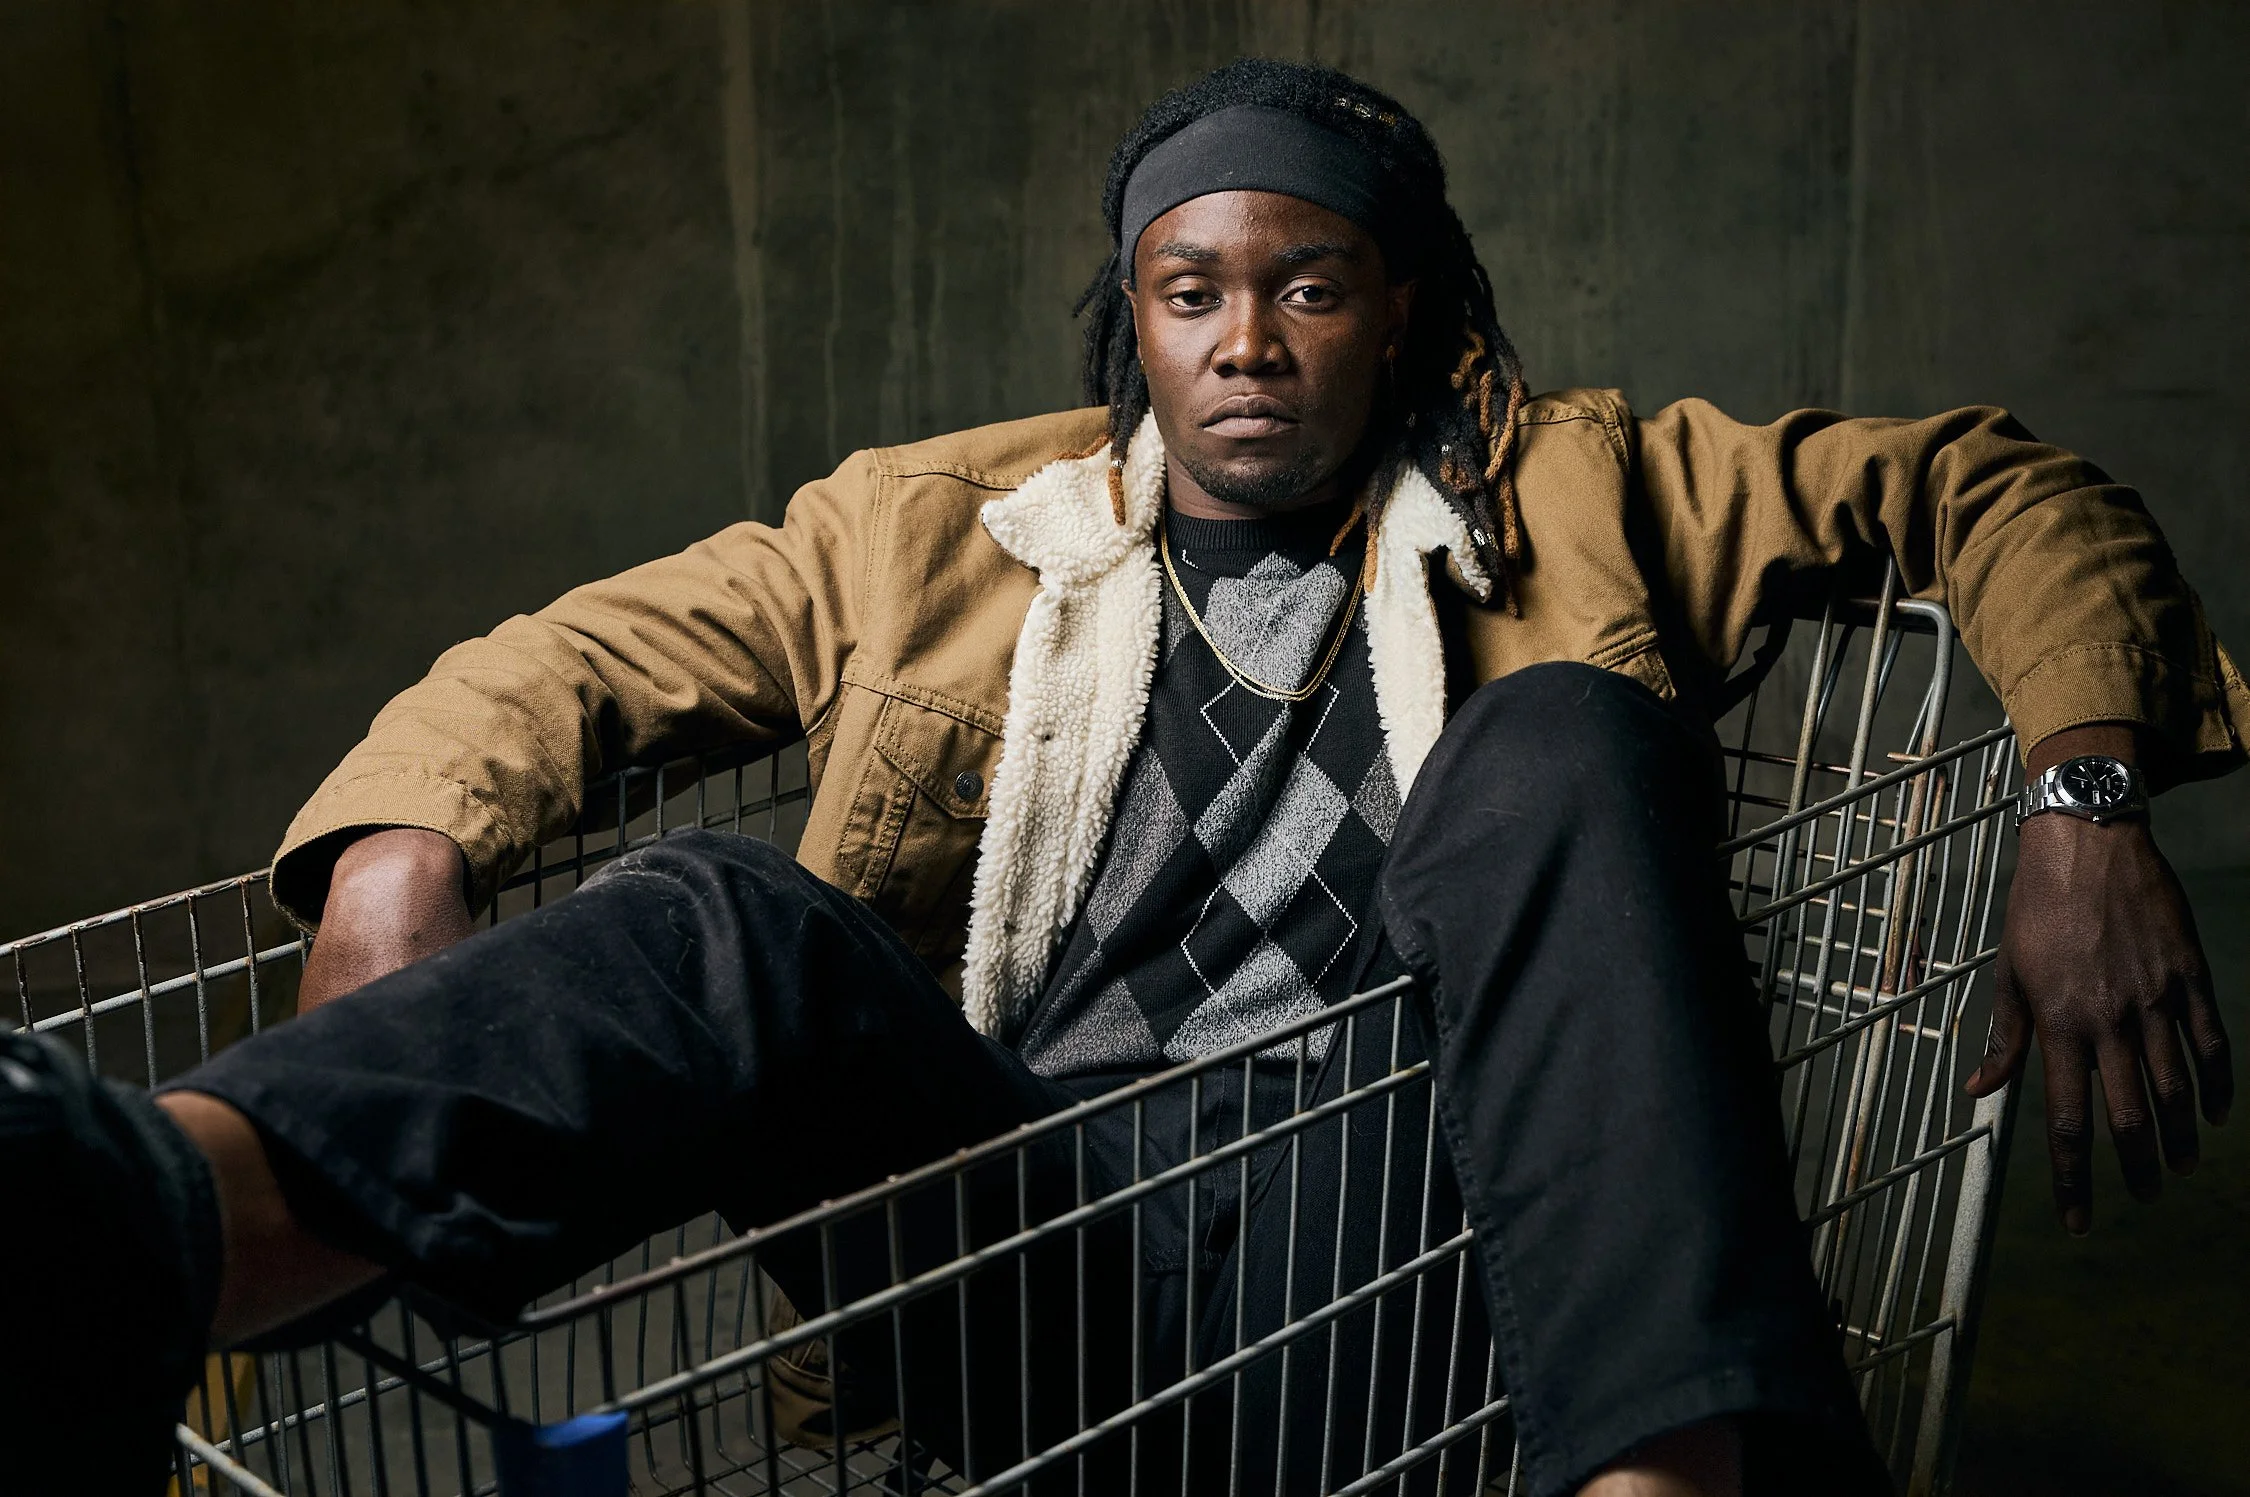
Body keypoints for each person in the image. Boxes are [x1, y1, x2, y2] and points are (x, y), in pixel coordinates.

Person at [5, 57, 2242, 1497]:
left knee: (1562, 730)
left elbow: (1992, 487)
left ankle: (1658, 1484)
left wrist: (2078, 805)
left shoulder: (1597, 485)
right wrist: (403, 851)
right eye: (1192, 292)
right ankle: (138, 1227)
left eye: (1308, 287)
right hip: (1047, 1270)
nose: (1244, 341)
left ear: (1410, 317)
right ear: (1132, 323)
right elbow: (575, 655)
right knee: (723, 925)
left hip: (1424, 1247)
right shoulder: (943, 522)